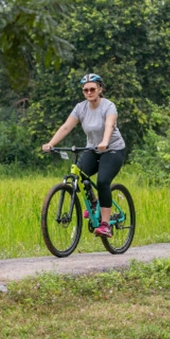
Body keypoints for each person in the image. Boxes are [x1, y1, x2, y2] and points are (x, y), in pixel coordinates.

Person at [42, 73, 126, 238]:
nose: (89, 92)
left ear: (100, 89)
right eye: (85, 90)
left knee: (102, 181)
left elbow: (109, 125)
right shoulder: (80, 108)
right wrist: (51, 144)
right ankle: (94, 203)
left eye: (92, 89)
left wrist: (105, 141)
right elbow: (66, 127)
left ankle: (105, 224)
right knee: (78, 175)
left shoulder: (109, 106)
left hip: (112, 149)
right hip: (92, 149)